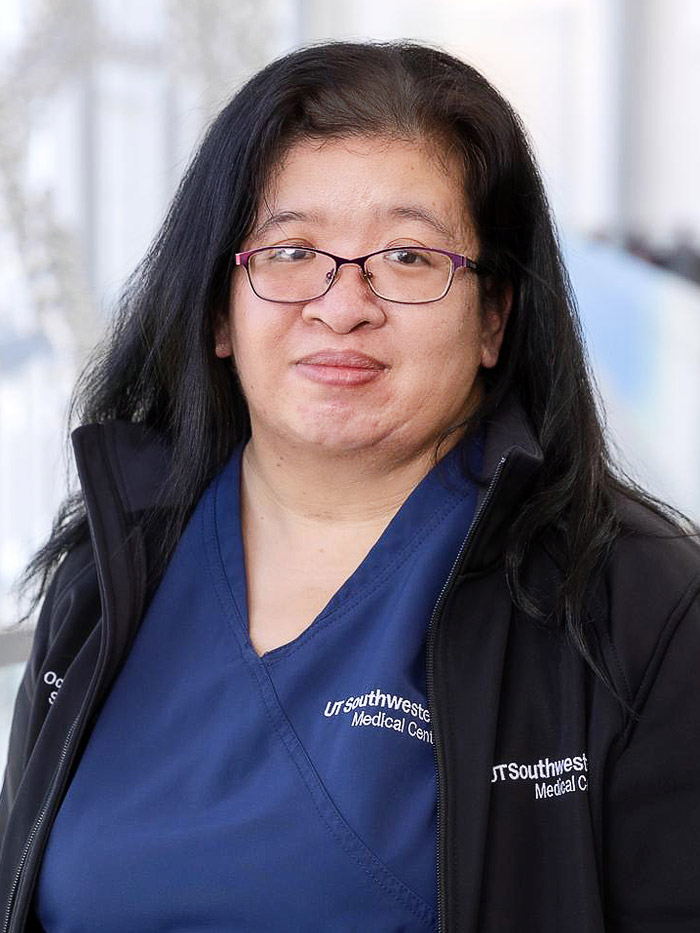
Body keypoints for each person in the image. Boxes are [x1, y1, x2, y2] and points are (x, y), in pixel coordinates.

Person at [1, 40, 699, 933]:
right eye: (290, 250)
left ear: (493, 317)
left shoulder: (636, 606)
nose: (341, 304)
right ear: (220, 308)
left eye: (408, 257)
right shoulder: (106, 575)